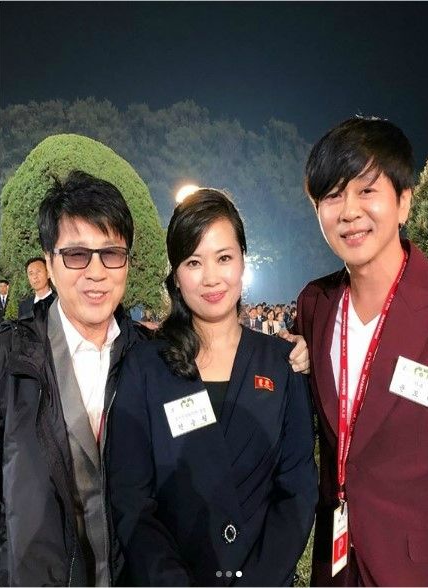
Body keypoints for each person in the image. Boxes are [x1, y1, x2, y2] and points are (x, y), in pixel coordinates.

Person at [107, 188, 318, 587]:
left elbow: (297, 489)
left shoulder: (283, 362)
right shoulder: (146, 367)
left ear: (242, 260)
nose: (211, 278)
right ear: (176, 274)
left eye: (224, 258)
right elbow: (130, 497)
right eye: (193, 262)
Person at [294, 117, 428, 587]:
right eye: (332, 196)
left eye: (366, 191)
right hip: (336, 567)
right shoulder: (315, 304)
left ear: (404, 201)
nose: (349, 212)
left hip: (425, 571)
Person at [0, 170, 150, 587]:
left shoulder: (152, 359)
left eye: (111, 253)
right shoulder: (9, 360)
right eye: (76, 254)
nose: (96, 272)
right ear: (48, 262)